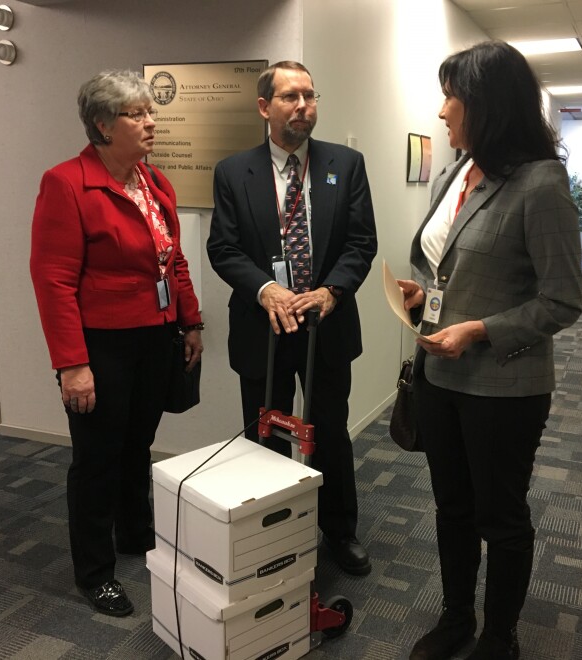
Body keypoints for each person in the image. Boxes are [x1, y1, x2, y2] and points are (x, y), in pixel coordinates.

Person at [397, 42, 582, 660]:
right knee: (451, 506)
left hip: (504, 385)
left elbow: (562, 302)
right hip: (439, 375)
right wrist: (421, 294)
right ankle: (455, 617)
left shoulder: (542, 183)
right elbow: (451, 265)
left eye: (454, 95)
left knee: (499, 517)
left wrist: (478, 330)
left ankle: (499, 637)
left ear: (489, 105)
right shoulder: (460, 168)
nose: (443, 110)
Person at [30, 70, 203, 617]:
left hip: (155, 336)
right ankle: (95, 572)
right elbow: (52, 280)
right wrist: (72, 365)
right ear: (103, 125)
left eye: (151, 112)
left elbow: (171, 258)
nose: (151, 122)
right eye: (137, 114)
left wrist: (191, 321)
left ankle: (135, 534)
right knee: (98, 458)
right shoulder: (66, 183)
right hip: (100, 346)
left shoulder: (152, 181)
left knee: (137, 444)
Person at [207, 61, 377, 576]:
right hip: (264, 323)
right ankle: (271, 532)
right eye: (290, 97)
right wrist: (266, 289)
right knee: (265, 430)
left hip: (326, 322)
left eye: (309, 95)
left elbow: (361, 242)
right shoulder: (234, 172)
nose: (303, 106)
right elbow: (224, 248)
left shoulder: (344, 164)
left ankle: (339, 531)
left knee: (329, 427)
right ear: (265, 107)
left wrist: (331, 291)